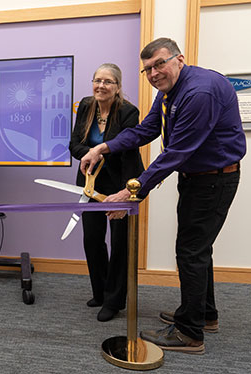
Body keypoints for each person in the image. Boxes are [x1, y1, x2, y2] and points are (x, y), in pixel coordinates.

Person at [80, 38, 246, 354]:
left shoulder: (199, 93)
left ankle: (189, 333)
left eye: (159, 64)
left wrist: (132, 194)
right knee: (197, 249)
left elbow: (175, 154)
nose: (154, 73)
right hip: (198, 178)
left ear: (178, 59)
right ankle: (203, 314)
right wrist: (102, 147)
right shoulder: (169, 91)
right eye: (147, 70)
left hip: (214, 181)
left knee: (190, 251)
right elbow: (146, 130)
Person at [70, 63, 144, 322]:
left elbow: (126, 149)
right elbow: (74, 145)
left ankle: (114, 301)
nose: (101, 86)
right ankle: (100, 292)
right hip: (90, 183)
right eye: (97, 80)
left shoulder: (127, 112)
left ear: (118, 87)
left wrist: (125, 193)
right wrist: (89, 153)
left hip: (120, 183)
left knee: (120, 243)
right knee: (92, 238)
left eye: (108, 82)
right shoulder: (86, 106)